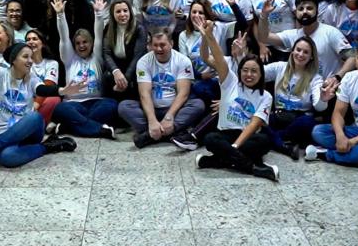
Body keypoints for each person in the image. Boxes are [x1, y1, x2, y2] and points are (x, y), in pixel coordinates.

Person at [0, 39, 79, 175]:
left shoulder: (31, 78)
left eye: (31, 57)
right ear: (13, 60)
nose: (30, 61)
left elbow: (42, 89)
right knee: (7, 158)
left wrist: (62, 91)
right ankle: (47, 146)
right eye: (25, 57)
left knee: (34, 117)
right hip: (2, 133)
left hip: (28, 133)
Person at [193, 14, 279, 181]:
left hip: (246, 136)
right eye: (245, 70)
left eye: (254, 71)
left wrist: (233, 148)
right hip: (225, 133)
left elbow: (254, 124)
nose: (249, 74)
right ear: (239, 71)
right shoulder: (230, 81)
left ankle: (220, 160)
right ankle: (255, 168)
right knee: (210, 138)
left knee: (264, 141)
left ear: (261, 74)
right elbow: (217, 57)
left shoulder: (266, 96)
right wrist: (209, 36)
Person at [117, 29, 205, 148]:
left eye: (162, 45)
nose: (159, 49)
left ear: (171, 44)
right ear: (150, 46)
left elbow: (183, 93)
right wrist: (152, 120)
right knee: (124, 107)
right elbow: (144, 94)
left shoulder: (183, 60)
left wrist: (169, 117)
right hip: (151, 110)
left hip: (174, 110)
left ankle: (150, 135)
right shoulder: (143, 62)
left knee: (198, 105)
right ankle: (172, 132)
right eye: (155, 45)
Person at [49, 0, 118, 139]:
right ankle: (99, 129)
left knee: (111, 104)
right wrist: (60, 15)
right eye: (78, 43)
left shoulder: (97, 57)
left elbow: (99, 35)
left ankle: (69, 126)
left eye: (85, 42)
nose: (82, 45)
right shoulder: (69, 59)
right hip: (73, 103)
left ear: (91, 43)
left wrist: (99, 14)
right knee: (61, 108)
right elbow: (63, 37)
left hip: (96, 103)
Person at [256, 0, 354, 93]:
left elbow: (352, 57)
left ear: (317, 11)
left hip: (328, 91)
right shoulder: (293, 35)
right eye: (301, 9)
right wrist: (264, 15)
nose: (305, 12)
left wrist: (337, 77)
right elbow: (264, 37)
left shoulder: (331, 32)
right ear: (296, 13)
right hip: (303, 94)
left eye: (309, 8)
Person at [262, 36, 326, 158]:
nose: (301, 54)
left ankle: (277, 139)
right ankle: (286, 146)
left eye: (306, 52)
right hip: (279, 116)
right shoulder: (280, 67)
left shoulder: (316, 78)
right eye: (298, 50)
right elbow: (258, 73)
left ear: (311, 57)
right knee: (260, 120)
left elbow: (319, 107)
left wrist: (323, 98)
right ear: (292, 51)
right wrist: (240, 57)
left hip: (298, 120)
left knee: (307, 122)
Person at [101, 0, 147, 102]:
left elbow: (138, 56)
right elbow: (106, 53)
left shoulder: (139, 29)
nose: (122, 14)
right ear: (113, 14)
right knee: (107, 76)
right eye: (118, 11)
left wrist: (125, 78)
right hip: (118, 66)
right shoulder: (109, 28)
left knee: (138, 77)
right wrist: (115, 71)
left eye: (125, 11)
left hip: (134, 67)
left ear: (130, 12)